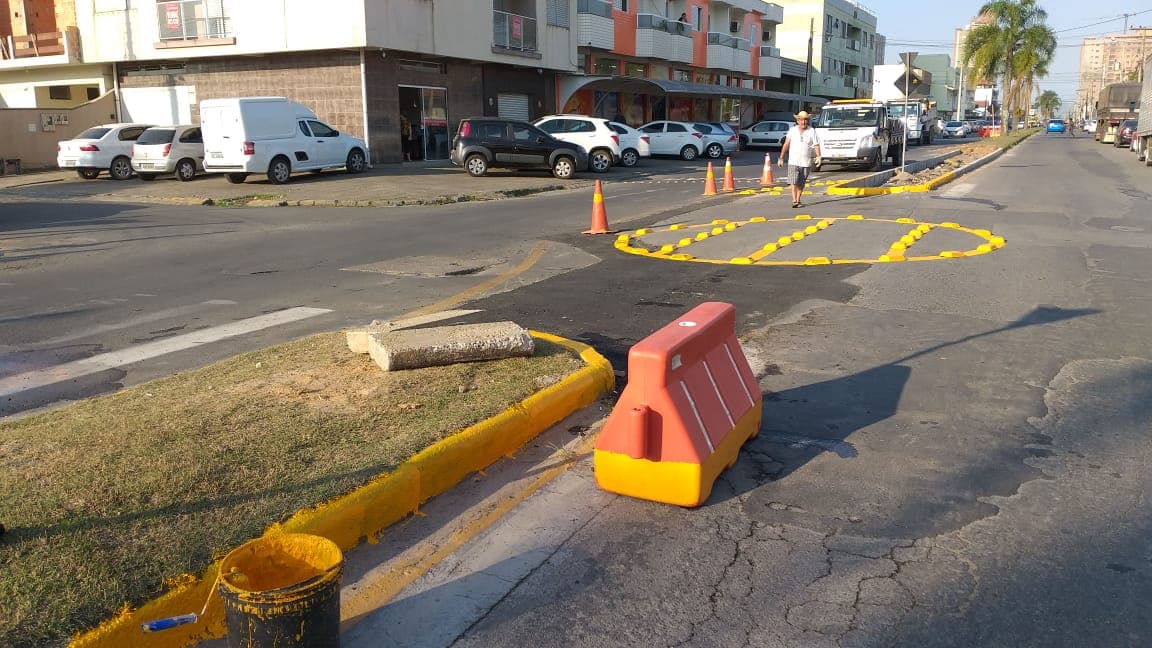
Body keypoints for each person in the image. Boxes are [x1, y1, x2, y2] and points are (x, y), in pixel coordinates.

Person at [777, 110, 821, 209]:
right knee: (793, 181)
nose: (803, 122)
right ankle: (794, 200)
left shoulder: (812, 131)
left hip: (805, 162)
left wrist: (818, 156)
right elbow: (786, 144)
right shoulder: (792, 130)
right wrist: (781, 157)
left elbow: (816, 145)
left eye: (805, 120)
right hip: (793, 161)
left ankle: (798, 199)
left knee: (801, 182)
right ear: (797, 121)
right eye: (801, 120)